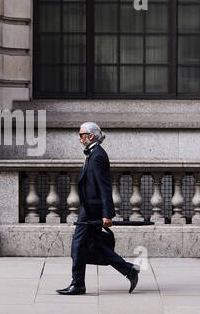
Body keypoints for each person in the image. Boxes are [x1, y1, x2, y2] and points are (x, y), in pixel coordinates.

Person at [57, 122, 139, 295]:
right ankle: (128, 269)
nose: (79, 138)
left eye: (81, 135)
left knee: (77, 245)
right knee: (94, 245)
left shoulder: (98, 155)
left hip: (91, 209)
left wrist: (107, 214)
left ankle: (78, 283)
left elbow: (105, 187)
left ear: (91, 136)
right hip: (88, 207)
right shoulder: (93, 154)